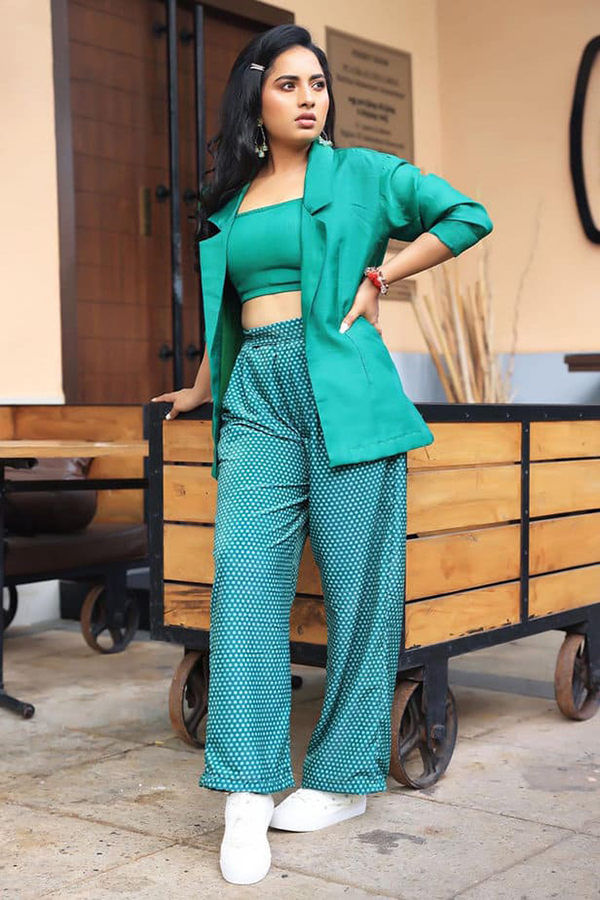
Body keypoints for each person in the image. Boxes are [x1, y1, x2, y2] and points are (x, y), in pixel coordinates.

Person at [151, 23, 493, 886]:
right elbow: (231, 315)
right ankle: (245, 790)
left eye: (319, 83)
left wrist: (385, 277)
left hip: (347, 397)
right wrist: (198, 388)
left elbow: (467, 215)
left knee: (359, 594)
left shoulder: (363, 174)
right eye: (289, 84)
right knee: (244, 584)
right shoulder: (233, 201)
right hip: (255, 399)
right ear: (256, 99)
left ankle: (341, 781)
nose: (309, 98)